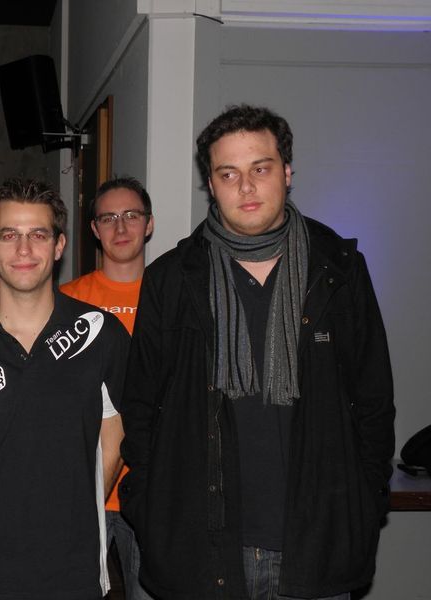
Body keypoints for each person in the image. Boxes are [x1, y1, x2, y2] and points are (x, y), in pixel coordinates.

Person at [120, 105, 395, 600]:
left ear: (287, 172)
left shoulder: (338, 270)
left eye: (260, 169)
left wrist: (364, 501)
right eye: (229, 174)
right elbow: (140, 408)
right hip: (202, 552)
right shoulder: (172, 279)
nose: (245, 187)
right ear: (211, 184)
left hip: (317, 548)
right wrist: (148, 505)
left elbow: (373, 401)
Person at [0, 178, 130, 600]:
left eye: (38, 235)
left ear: (59, 246)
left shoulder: (101, 334)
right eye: (9, 235)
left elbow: (114, 438)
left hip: (72, 568)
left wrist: (72, 506)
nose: (24, 250)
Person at [60, 176, 154, 600]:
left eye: (131, 215)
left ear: (149, 223)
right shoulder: (66, 302)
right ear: (94, 229)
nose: (120, 227)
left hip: (152, 491)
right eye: (108, 218)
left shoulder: (170, 296)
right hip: (82, 488)